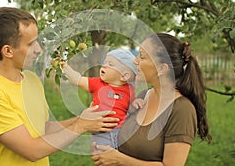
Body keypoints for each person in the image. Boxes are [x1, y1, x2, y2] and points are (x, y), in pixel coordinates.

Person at [0, 7, 119, 166]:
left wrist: (82, 118)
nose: (38, 49)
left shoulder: (31, 80)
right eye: (31, 44)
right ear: (8, 51)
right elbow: (32, 150)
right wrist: (81, 126)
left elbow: (44, 129)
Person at [91, 33, 212, 166]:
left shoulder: (182, 110)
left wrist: (119, 160)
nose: (135, 61)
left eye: (142, 56)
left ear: (161, 69)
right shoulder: (142, 97)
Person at [61, 49, 138, 149]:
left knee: (120, 157)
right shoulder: (97, 84)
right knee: (104, 156)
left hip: (121, 131)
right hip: (101, 132)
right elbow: (78, 80)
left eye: (111, 64)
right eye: (105, 62)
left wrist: (136, 102)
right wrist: (66, 67)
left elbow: (131, 108)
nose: (104, 65)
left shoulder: (129, 90)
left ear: (124, 76)